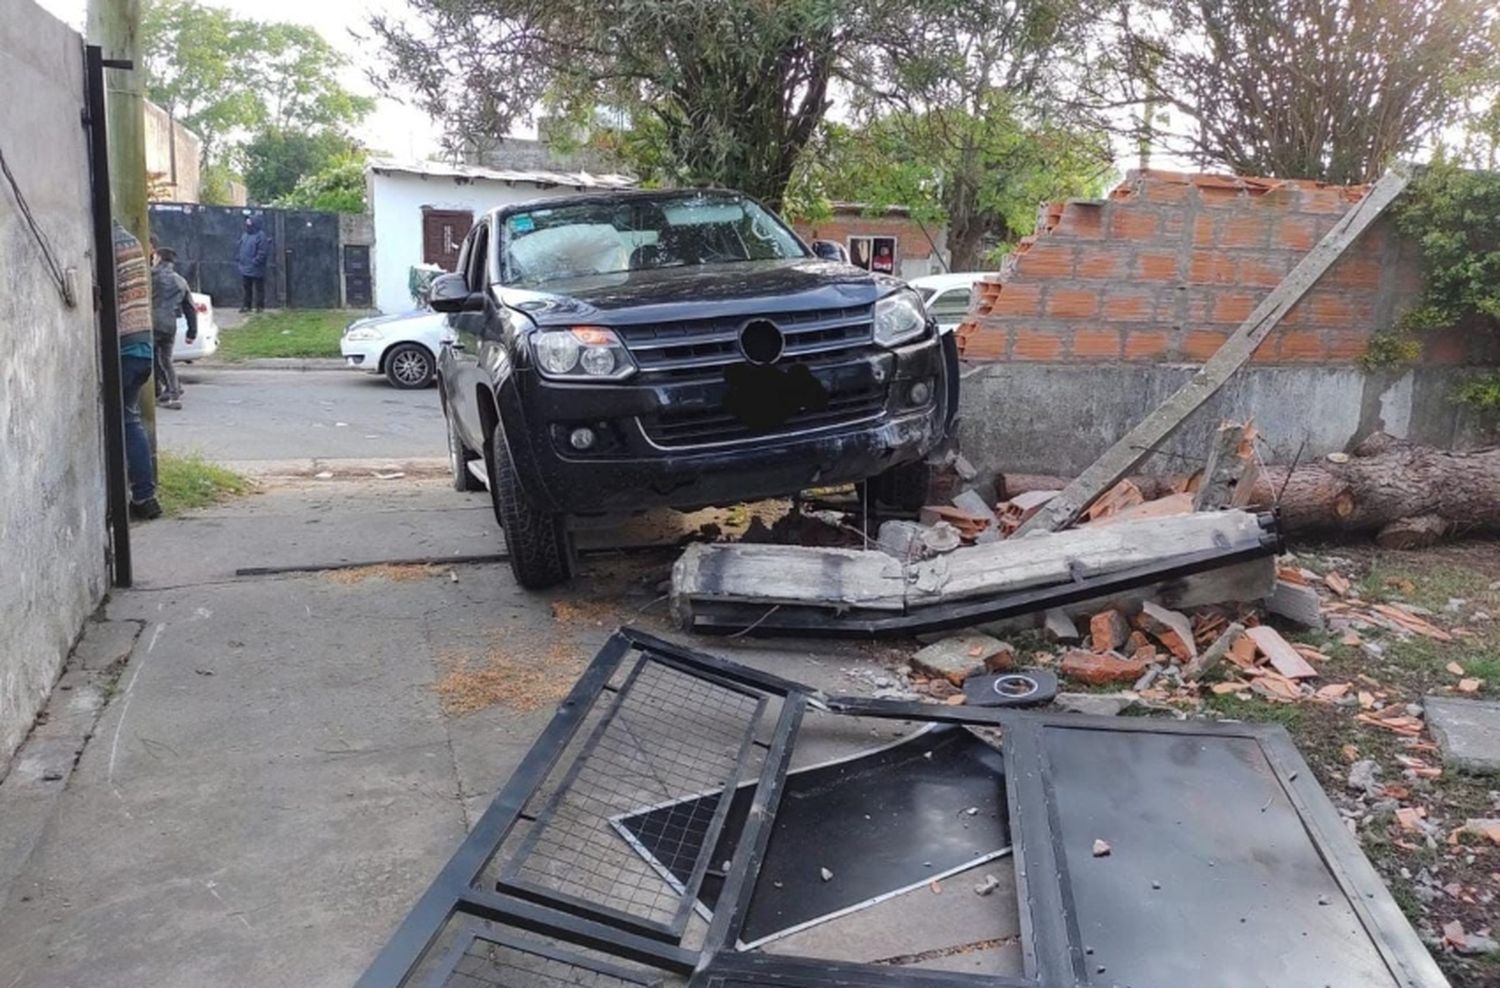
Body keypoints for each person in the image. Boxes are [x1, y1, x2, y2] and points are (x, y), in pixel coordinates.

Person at [114, 222, 161, 520]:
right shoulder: (130, 241)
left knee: (123, 421)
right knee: (130, 420)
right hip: (143, 346)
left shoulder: (104, 243)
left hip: (122, 348)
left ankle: (141, 496)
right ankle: (145, 497)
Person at [151, 246, 197, 410]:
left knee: (152, 359)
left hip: (153, 322)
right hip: (170, 324)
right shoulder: (181, 281)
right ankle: (173, 391)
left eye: (154, 257)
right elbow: (190, 308)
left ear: (159, 259)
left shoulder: (151, 276)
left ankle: (170, 391)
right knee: (166, 359)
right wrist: (192, 331)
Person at [236, 214, 271, 312]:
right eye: (247, 222)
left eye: (249, 222)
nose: (247, 224)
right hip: (245, 267)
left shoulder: (261, 236)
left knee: (259, 288)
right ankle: (247, 306)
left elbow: (263, 252)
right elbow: (241, 247)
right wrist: (240, 258)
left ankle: (260, 307)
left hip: (256, 268)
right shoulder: (245, 235)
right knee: (247, 289)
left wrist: (255, 261)